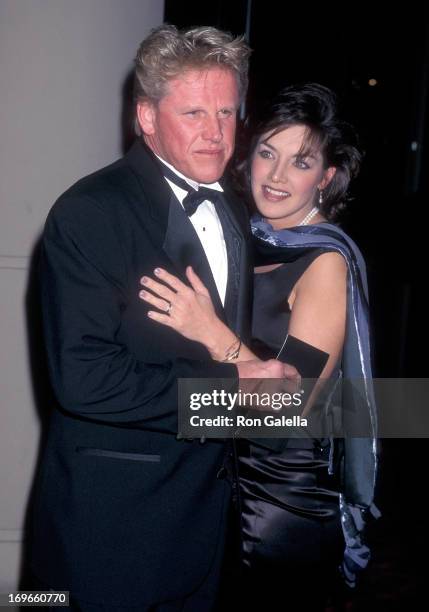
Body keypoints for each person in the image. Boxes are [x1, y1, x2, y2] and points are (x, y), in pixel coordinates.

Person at [30, 25, 295, 611]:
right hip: (112, 529)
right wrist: (234, 391)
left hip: (207, 521)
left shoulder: (230, 207)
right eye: (195, 112)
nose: (216, 133)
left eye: (227, 112)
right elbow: (83, 379)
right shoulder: (90, 211)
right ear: (146, 118)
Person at [139, 83, 380, 610]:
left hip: (279, 506)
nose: (275, 176)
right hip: (221, 492)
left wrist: (211, 334)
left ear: (327, 177)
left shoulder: (324, 262)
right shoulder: (243, 237)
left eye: (301, 162)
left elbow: (287, 409)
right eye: (268, 153)